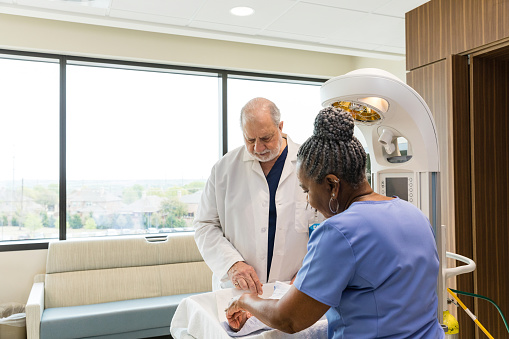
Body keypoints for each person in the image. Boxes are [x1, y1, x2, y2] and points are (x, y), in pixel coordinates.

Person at [226, 106, 445, 338]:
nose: (309, 201)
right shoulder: (415, 214)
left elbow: (288, 319)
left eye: (306, 190)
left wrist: (246, 301)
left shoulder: (339, 232)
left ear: (332, 185)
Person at [194, 97, 320, 294]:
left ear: (280, 127)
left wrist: (311, 270)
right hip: (239, 289)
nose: (258, 148)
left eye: (266, 138)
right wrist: (232, 264)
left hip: (296, 287)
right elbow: (205, 224)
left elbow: (328, 227)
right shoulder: (224, 169)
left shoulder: (313, 165)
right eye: (250, 140)